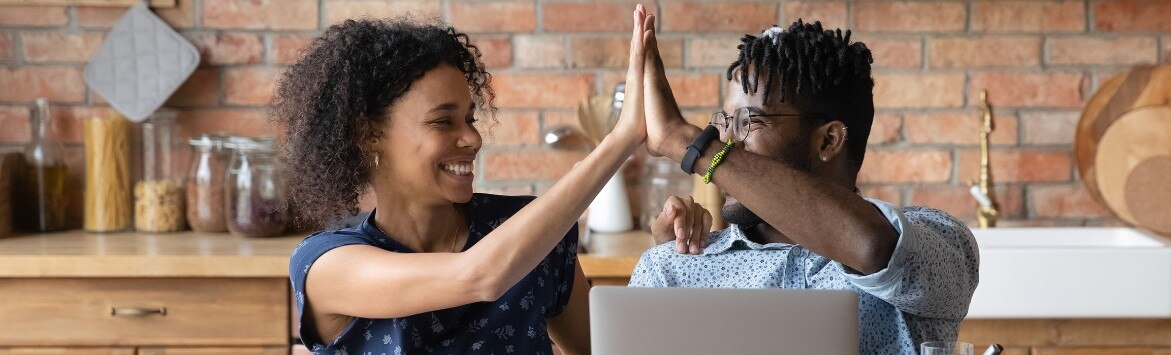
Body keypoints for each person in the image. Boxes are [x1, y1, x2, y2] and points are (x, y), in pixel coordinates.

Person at [273, 7, 657, 354]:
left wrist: (670, 252)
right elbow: (480, 275)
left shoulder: (529, 231)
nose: (472, 139)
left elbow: (602, 350)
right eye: (443, 121)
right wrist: (620, 140)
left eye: (470, 118)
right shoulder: (324, 264)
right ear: (368, 135)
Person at [629, 19, 981, 353]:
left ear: (828, 141)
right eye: (724, 124)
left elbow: (871, 246)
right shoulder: (672, 269)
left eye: (748, 122)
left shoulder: (942, 240)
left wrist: (685, 142)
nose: (726, 143)